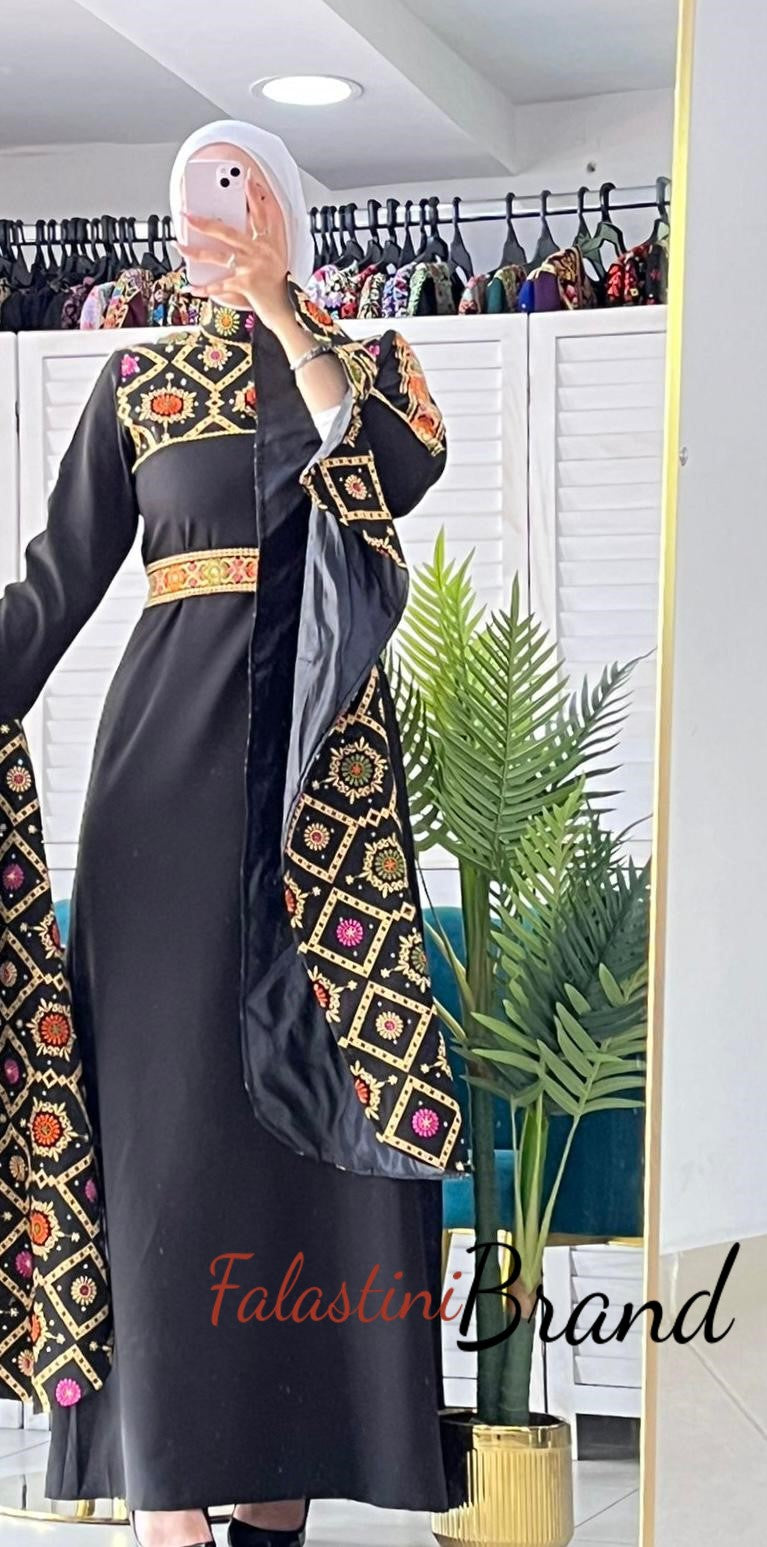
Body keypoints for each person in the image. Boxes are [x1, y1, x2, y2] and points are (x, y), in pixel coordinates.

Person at [0, 120, 466, 1547]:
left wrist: (282, 307)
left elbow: (390, 476)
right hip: (160, 811)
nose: (214, 216)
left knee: (307, 1157)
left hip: (328, 826)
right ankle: (166, 1508)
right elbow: (53, 586)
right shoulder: (137, 382)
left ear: (288, 209)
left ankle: (276, 1507)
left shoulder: (369, 367)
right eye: (197, 195)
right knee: (164, 1145)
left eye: (242, 190)